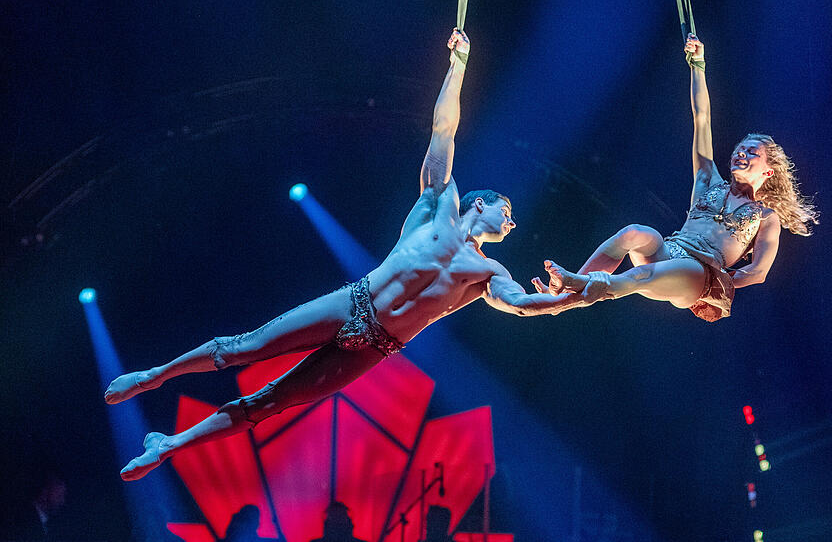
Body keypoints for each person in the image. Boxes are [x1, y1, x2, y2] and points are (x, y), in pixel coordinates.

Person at [108, 29, 603, 481]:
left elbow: (518, 304)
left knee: (267, 404)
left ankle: (168, 445)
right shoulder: (438, 204)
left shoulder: (489, 270)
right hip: (355, 303)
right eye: (508, 211)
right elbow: (443, 129)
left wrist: (572, 297)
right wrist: (459, 65)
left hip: (376, 347)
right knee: (243, 348)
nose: (512, 223)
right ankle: (154, 377)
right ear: (482, 203)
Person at [536, 34, 818, 322]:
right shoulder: (708, 178)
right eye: (740, 148)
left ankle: (571, 297)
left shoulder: (766, 217)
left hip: (699, 274)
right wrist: (698, 65)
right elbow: (702, 117)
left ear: (768, 172)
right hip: (670, 251)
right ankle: (569, 287)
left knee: (640, 275)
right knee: (635, 233)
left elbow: (758, 272)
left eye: (751, 152)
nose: (740, 153)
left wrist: (721, 282)